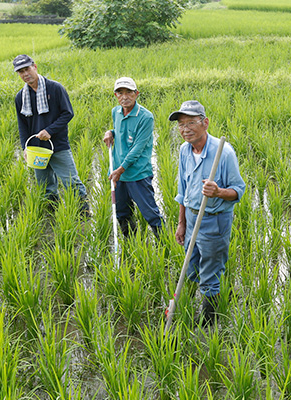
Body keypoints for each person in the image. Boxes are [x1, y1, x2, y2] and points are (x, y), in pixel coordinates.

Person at [169, 100, 245, 326]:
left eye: (191, 122)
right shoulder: (184, 150)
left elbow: (238, 190)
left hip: (214, 221)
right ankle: (185, 309)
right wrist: (181, 223)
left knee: (210, 273)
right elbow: (182, 189)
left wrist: (219, 191)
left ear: (205, 123)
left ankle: (208, 324)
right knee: (190, 266)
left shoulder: (224, 152)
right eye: (181, 125)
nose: (185, 129)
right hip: (191, 217)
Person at [13, 54, 90, 214]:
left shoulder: (55, 88)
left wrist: (50, 130)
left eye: (27, 69)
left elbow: (67, 113)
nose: (25, 74)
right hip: (36, 149)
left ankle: (84, 214)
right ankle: (53, 215)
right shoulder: (20, 97)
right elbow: (23, 126)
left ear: (35, 66)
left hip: (58, 145)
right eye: (20, 71)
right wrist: (25, 148)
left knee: (71, 181)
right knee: (45, 185)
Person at [103, 77, 164, 238]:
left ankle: (166, 246)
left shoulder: (146, 117)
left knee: (150, 213)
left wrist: (120, 170)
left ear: (136, 94)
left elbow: (137, 148)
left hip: (137, 174)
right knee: (122, 212)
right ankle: (131, 243)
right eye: (120, 93)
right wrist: (111, 133)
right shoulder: (116, 112)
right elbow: (120, 131)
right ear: (116, 95)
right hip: (118, 173)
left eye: (129, 92)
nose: (125, 97)